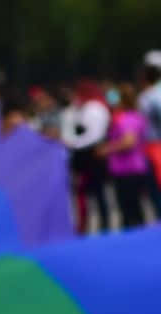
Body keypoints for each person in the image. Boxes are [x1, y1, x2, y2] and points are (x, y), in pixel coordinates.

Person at [62, 80, 113, 232]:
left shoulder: (95, 109)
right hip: (82, 155)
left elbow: (94, 134)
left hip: (92, 155)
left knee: (97, 193)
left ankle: (103, 226)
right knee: (82, 194)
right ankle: (83, 226)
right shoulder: (76, 109)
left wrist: (74, 143)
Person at [98, 83, 150, 228]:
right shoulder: (135, 117)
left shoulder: (127, 119)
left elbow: (128, 142)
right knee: (133, 210)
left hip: (128, 170)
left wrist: (107, 149)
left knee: (130, 211)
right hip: (131, 169)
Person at [138, 64, 161, 218]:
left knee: (159, 185)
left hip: (155, 144)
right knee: (157, 186)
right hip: (156, 143)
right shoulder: (160, 94)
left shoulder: (151, 96)